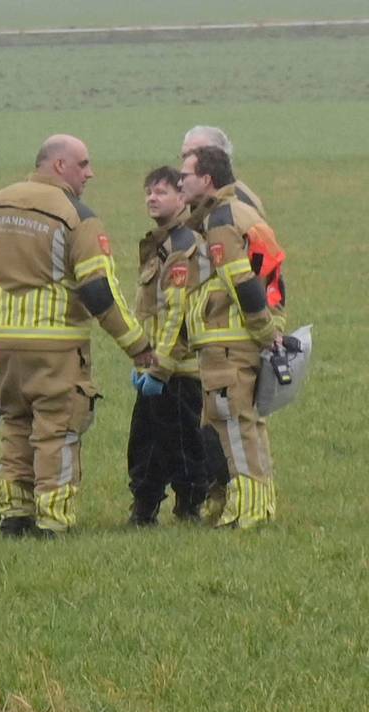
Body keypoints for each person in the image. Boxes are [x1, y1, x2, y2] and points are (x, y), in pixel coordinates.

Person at [0, 134, 153, 537]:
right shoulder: (77, 216)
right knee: (57, 430)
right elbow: (99, 292)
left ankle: (14, 515)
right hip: (57, 347)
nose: (90, 173)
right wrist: (138, 347)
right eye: (84, 164)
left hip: (4, 347)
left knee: (15, 426)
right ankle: (52, 521)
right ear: (59, 165)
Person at [168, 145, 284, 528]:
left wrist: (266, 332)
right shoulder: (238, 211)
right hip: (231, 340)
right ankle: (251, 503)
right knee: (240, 422)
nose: (179, 180)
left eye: (185, 174)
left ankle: (247, 511)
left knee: (234, 423)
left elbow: (241, 280)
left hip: (230, 341)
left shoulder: (221, 219)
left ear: (207, 179)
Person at [125, 166, 208, 525]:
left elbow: (178, 312)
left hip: (179, 369)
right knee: (144, 444)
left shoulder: (183, 245)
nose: (152, 198)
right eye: (149, 192)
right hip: (155, 364)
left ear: (182, 198)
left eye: (161, 192)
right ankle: (144, 508)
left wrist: (159, 366)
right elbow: (149, 309)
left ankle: (188, 509)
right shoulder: (158, 242)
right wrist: (142, 358)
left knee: (183, 445)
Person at [181, 126, 266, 218]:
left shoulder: (240, 202)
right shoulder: (191, 195)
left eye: (195, 154)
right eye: (184, 156)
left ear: (218, 157)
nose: (187, 161)